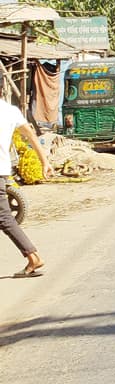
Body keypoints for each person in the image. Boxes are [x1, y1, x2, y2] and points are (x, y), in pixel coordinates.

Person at [0, 99, 54, 278]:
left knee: (4, 217)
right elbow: (30, 135)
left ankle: (33, 256)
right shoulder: (11, 111)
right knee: (4, 217)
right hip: (3, 170)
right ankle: (33, 256)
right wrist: (45, 161)